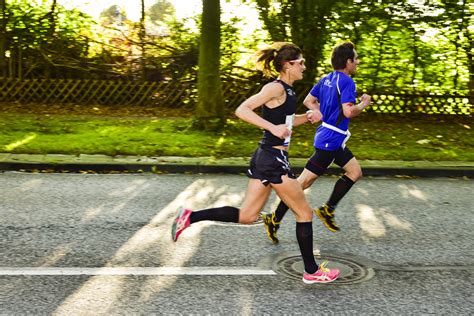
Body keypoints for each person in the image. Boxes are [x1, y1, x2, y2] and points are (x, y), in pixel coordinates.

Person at [171, 42, 340, 284]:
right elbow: (243, 109)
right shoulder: (275, 87)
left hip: (266, 157)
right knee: (304, 212)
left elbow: (286, 125)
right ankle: (312, 271)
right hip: (272, 159)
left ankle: (189, 216)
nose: (304, 66)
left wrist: (308, 118)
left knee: (248, 215)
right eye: (300, 62)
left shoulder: (289, 91)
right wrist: (272, 127)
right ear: (287, 65)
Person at [262, 41, 371, 244]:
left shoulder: (326, 79)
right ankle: (273, 219)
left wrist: (323, 113)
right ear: (348, 62)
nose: (358, 62)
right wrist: (363, 104)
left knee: (355, 172)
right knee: (302, 183)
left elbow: (308, 102)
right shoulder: (347, 81)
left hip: (333, 138)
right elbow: (349, 111)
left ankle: (327, 209)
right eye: (355, 59)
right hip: (330, 140)